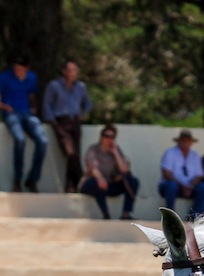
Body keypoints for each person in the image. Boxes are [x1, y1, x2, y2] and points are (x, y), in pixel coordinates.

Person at [42, 59, 92, 193]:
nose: (72, 73)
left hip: (75, 122)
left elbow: (88, 104)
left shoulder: (81, 86)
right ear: (64, 71)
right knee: (70, 152)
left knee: (75, 153)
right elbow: (47, 104)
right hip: (61, 122)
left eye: (75, 70)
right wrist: (53, 122)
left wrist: (82, 114)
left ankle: (70, 185)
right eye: (69, 70)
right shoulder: (54, 85)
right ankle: (82, 180)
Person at [0, 55, 47, 193]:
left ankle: (32, 179)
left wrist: (34, 107)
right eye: (15, 68)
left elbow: (32, 94)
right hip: (11, 113)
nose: (17, 71)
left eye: (20, 69)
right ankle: (17, 179)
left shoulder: (32, 77)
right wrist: (3, 106)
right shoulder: (5, 77)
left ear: (27, 68)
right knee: (20, 140)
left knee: (43, 141)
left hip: (27, 113)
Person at [78, 124, 140, 220]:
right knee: (97, 183)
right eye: (106, 136)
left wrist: (115, 152)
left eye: (112, 137)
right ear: (101, 137)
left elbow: (124, 170)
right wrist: (100, 178)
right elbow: (92, 167)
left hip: (108, 184)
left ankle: (126, 214)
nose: (108, 139)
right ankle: (106, 214)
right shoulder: (94, 149)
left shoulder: (116, 150)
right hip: (92, 182)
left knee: (133, 181)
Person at [158, 129, 204, 219]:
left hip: (190, 186)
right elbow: (166, 174)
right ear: (179, 141)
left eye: (188, 141)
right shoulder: (170, 153)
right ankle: (170, 216)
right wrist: (183, 186)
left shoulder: (195, 155)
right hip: (175, 185)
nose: (185, 143)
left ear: (191, 142)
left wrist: (190, 186)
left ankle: (194, 216)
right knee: (171, 186)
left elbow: (199, 175)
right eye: (183, 141)